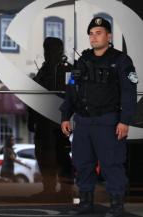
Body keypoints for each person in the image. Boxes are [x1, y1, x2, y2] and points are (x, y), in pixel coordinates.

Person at [60, 17, 138, 217]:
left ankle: (116, 205)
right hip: (84, 122)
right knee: (83, 163)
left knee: (111, 164)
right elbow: (71, 89)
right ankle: (86, 203)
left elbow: (129, 92)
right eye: (91, 34)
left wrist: (125, 120)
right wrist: (66, 116)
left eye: (99, 33)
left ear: (109, 36)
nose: (94, 37)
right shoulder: (83, 60)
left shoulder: (121, 61)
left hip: (108, 122)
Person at [27, 37, 73, 195]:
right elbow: (34, 96)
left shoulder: (67, 70)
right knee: (43, 155)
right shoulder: (43, 71)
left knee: (61, 154)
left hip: (59, 121)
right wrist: (31, 118)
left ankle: (66, 189)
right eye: (46, 49)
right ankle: (48, 188)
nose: (47, 53)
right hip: (43, 122)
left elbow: (73, 94)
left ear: (59, 51)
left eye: (51, 49)